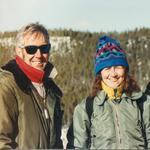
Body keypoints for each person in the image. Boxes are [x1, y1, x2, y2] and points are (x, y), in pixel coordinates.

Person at [70, 35, 150, 149]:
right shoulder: (86, 108)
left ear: (125, 69)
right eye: (107, 68)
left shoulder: (143, 104)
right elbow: (78, 146)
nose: (113, 74)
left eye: (118, 67)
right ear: (100, 73)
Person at [0, 22, 63, 149]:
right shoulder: (7, 85)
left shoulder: (51, 90)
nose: (39, 55)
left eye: (44, 48)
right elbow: (2, 140)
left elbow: (56, 142)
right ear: (19, 51)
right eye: (31, 49)